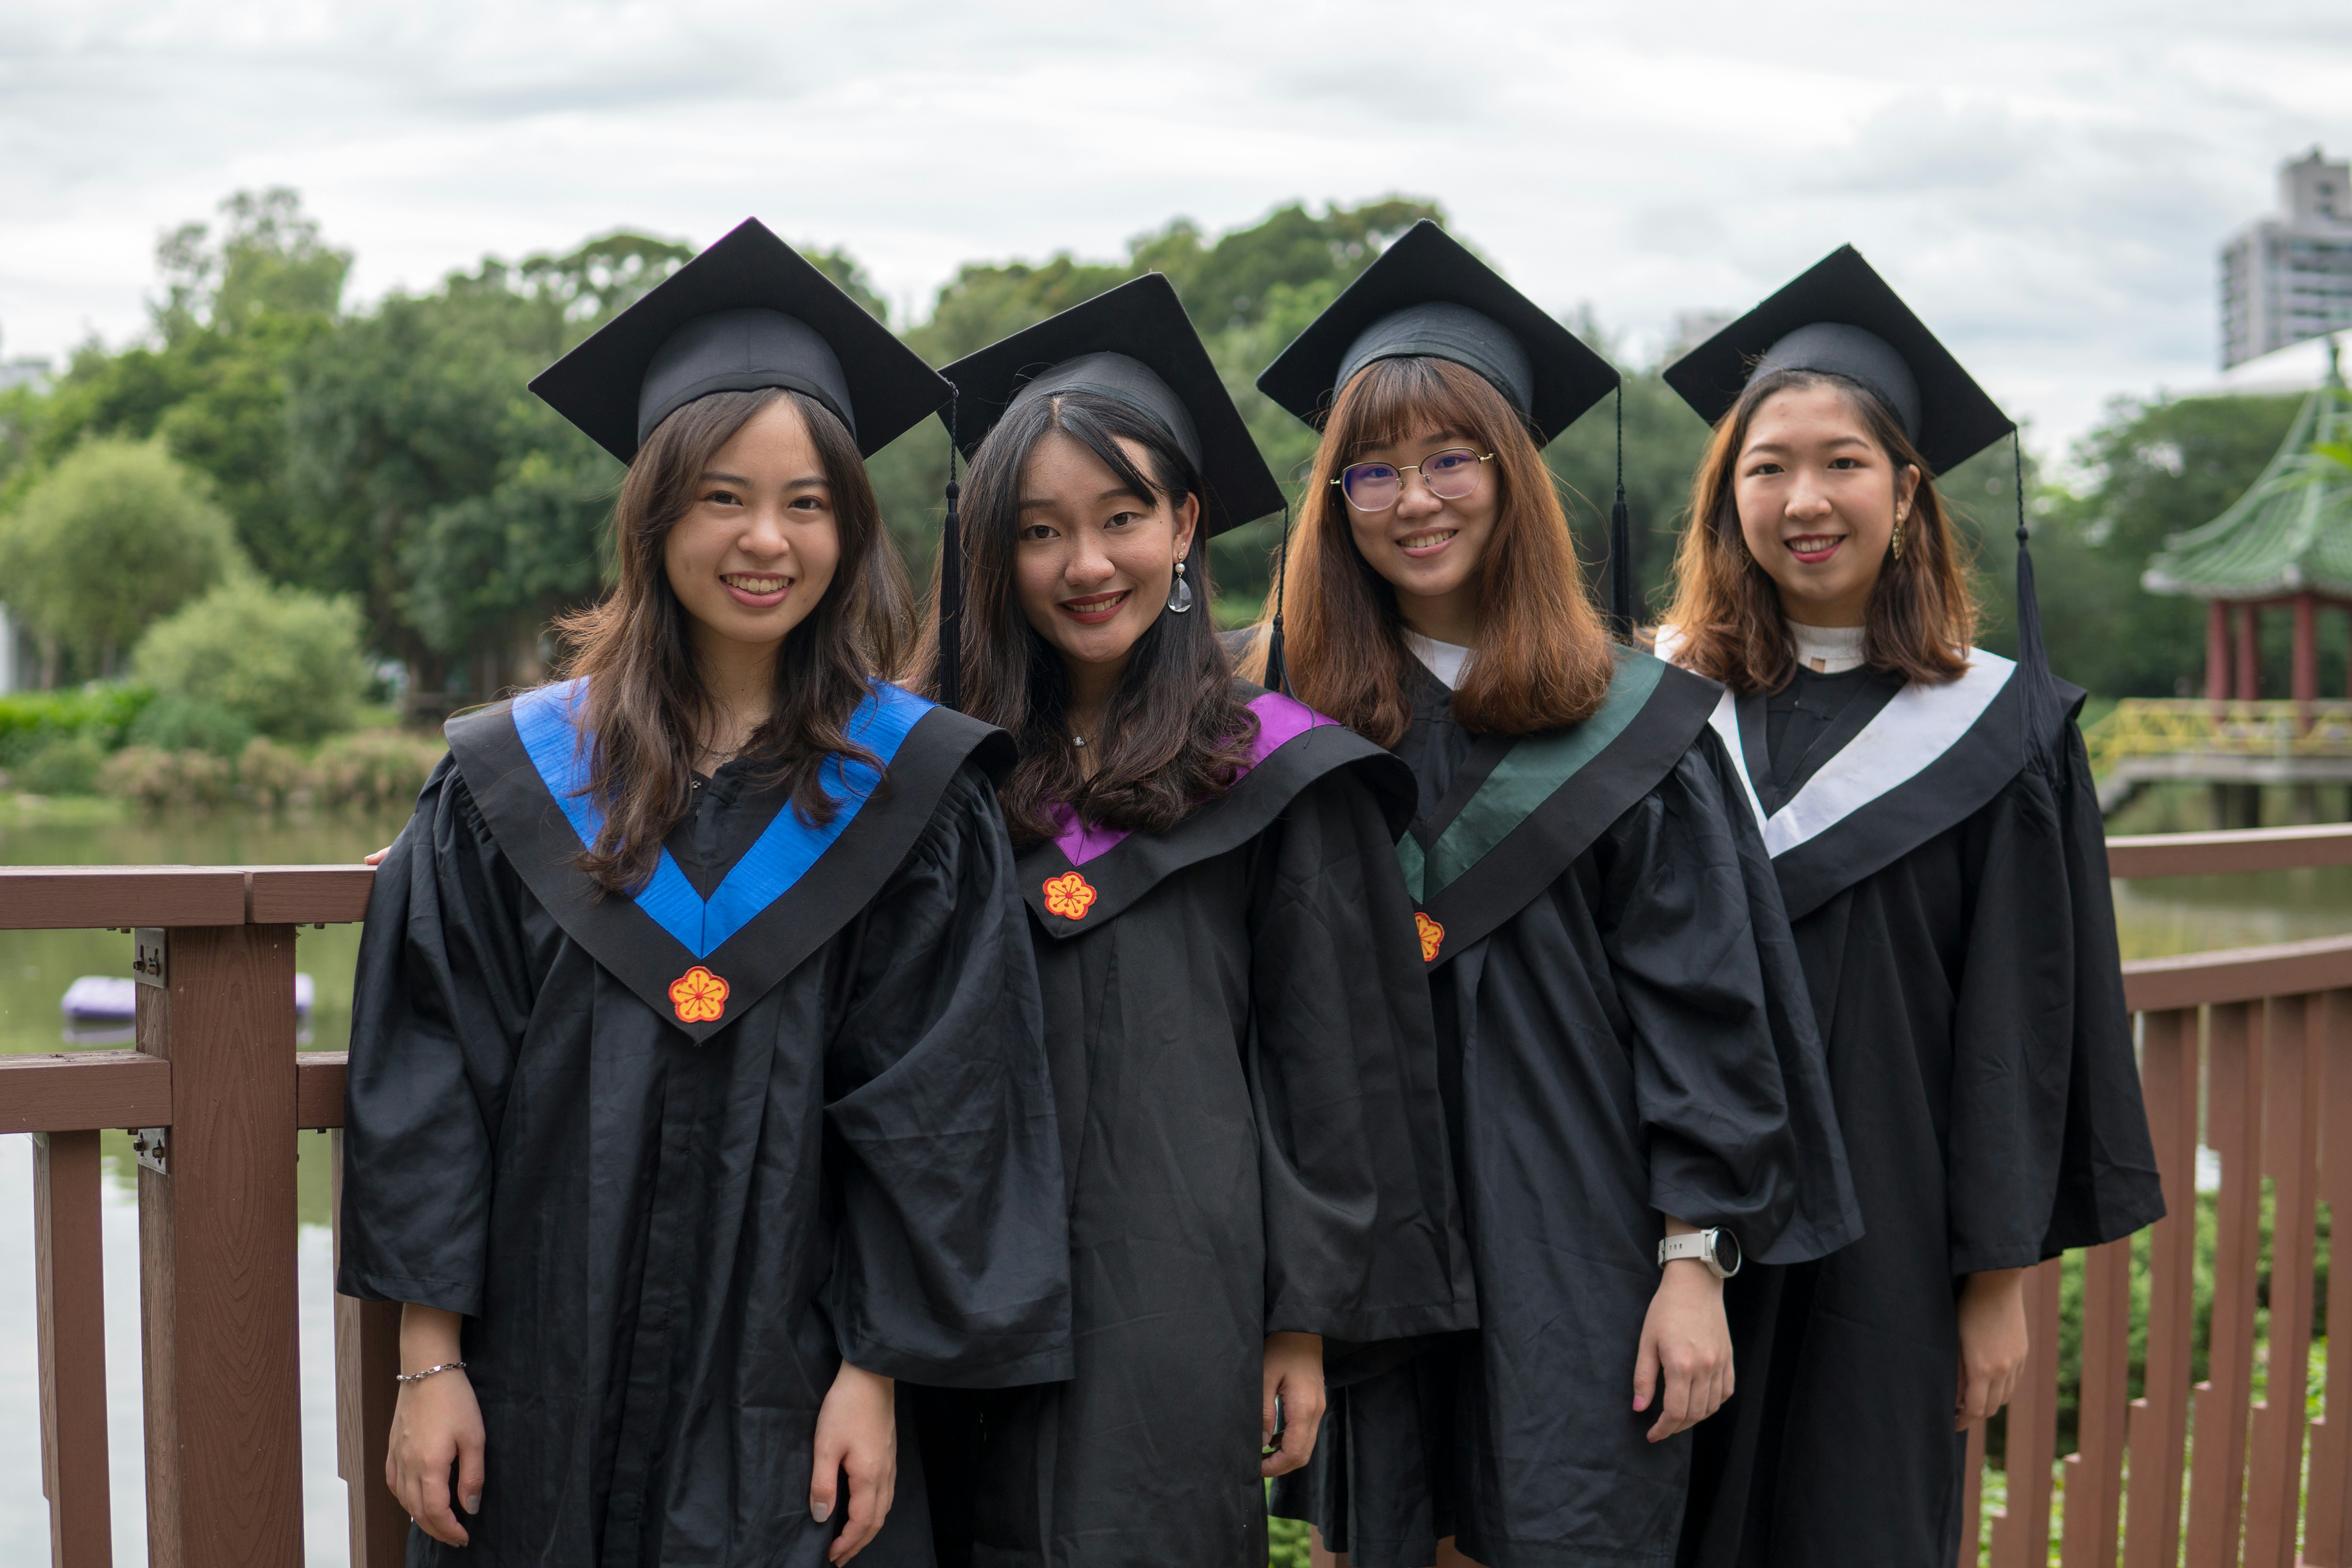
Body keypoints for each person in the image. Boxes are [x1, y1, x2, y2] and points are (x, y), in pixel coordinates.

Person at [338, 219, 1074, 1568]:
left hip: (791, 1387)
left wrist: (877, 1367)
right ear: (655, 510)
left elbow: (937, 1109)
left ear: (850, 528)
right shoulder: (512, 780)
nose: (766, 540)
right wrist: (424, 1361)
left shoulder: (911, 794)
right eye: (723, 497)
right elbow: (431, 1077)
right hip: (537, 1368)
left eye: (807, 504)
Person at [1246, 220, 1859, 1568]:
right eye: (1376, 470)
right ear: (1333, 498)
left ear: (1515, 475)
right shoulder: (1280, 723)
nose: (1417, 500)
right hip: (1368, 1248)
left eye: (1453, 459)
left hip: (1576, 1241)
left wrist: (1693, 1259)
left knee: (1570, 1526)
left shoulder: (1634, 727)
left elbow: (1707, 1014)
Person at [908, 274, 1477, 1568]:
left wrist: (1297, 1323)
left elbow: (1329, 1067)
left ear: (1184, 526)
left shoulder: (1275, 773)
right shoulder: (936, 767)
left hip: (1181, 1278)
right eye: (1043, 530)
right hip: (948, 1275)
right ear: (995, 549)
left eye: (1122, 517)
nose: (1086, 562)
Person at [1655, 245, 2166, 1568]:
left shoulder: (2001, 732)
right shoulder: (1651, 713)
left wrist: (1995, 1286)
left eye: (1843, 462)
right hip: (1664, 1239)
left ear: (1906, 489)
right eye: (1767, 466)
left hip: (1893, 1247)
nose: (1804, 498)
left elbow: (2024, 1022)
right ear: (1728, 498)